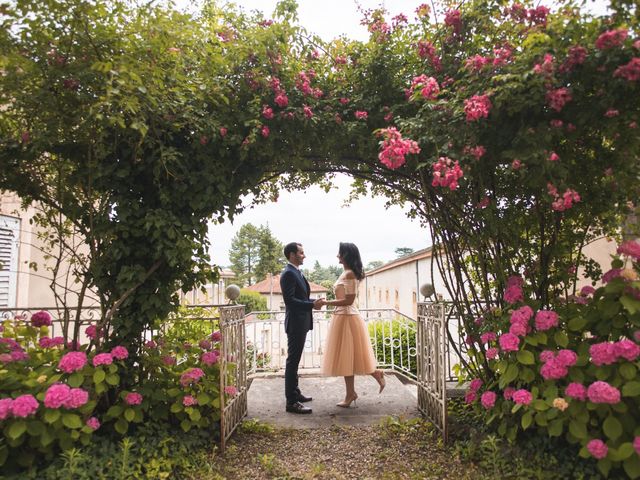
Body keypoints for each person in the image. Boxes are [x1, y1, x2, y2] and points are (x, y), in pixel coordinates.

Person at [318, 242, 385, 407]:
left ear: (346, 255)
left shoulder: (349, 275)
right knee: (346, 359)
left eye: (339, 253)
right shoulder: (346, 273)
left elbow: (349, 300)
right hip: (342, 317)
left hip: (348, 318)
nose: (337, 256)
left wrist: (326, 302)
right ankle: (353, 392)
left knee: (349, 357)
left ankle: (356, 390)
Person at [280, 242, 323, 414]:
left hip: (301, 322)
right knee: (292, 362)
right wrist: (312, 305)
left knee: (295, 361)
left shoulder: (296, 272)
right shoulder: (288, 274)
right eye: (301, 253)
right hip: (296, 324)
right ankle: (291, 402)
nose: (304, 255)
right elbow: (290, 301)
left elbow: (301, 296)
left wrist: (313, 302)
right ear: (292, 254)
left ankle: (296, 393)